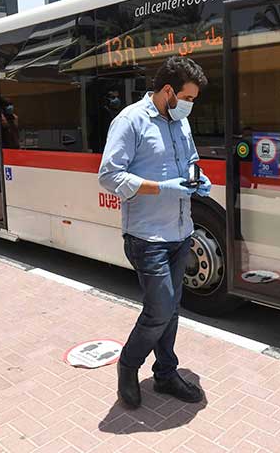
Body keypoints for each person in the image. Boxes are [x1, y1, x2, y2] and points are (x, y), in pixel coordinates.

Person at [98, 57, 211, 409]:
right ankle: (128, 366)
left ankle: (165, 373)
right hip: (147, 236)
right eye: (188, 98)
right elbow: (109, 176)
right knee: (160, 308)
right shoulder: (130, 121)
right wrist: (162, 187)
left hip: (180, 231)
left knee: (172, 307)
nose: (190, 105)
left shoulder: (180, 123)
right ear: (167, 91)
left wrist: (198, 178)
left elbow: (190, 159)